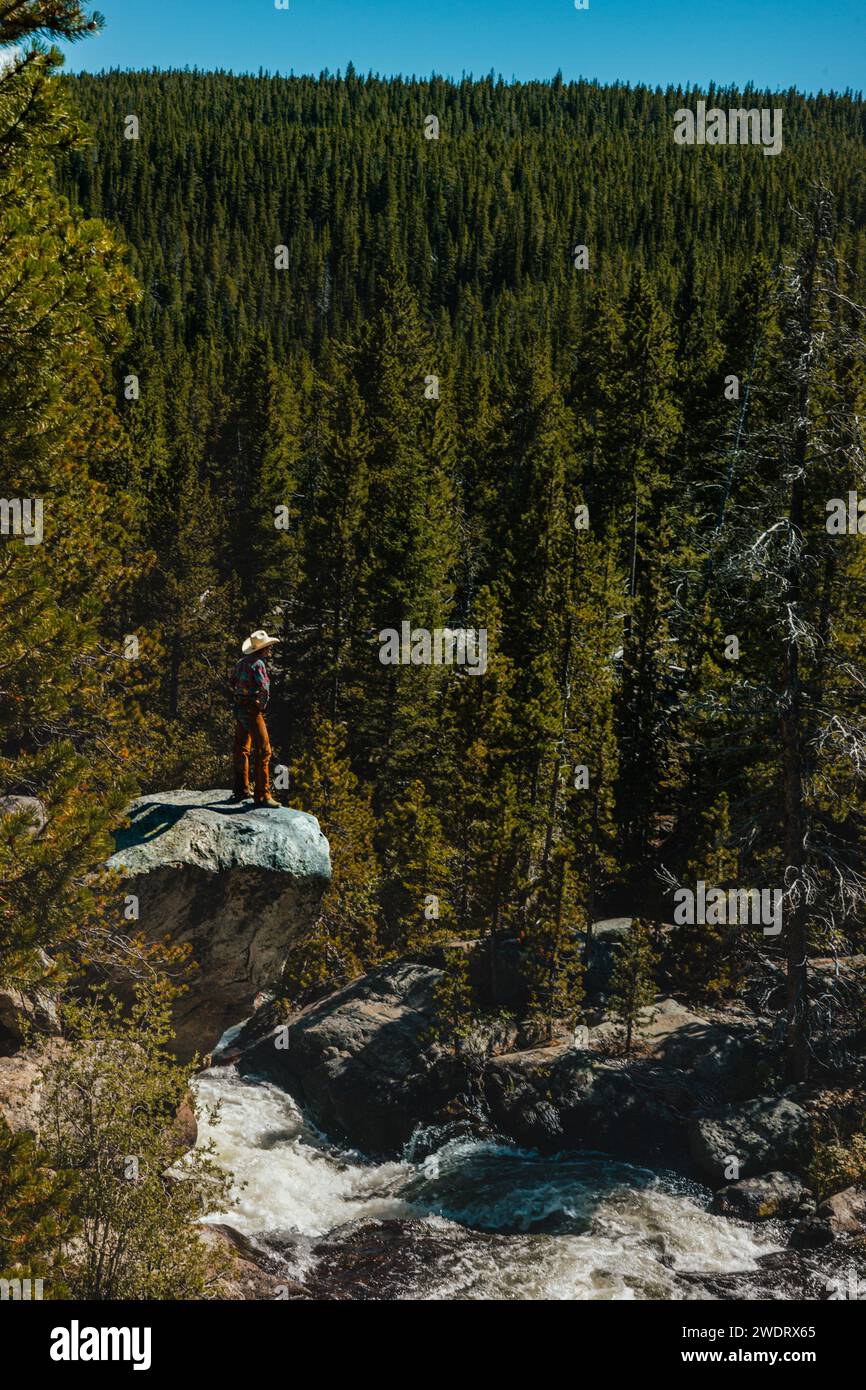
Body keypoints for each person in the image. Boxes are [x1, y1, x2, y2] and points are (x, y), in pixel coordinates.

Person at [229, 629, 280, 808]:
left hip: (239, 709)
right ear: (263, 649)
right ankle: (262, 795)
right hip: (252, 710)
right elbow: (265, 688)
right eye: (268, 647)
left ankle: (240, 789)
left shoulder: (241, 662)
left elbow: (232, 681)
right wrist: (261, 705)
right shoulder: (258, 664)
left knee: (241, 748)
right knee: (264, 750)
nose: (270, 650)